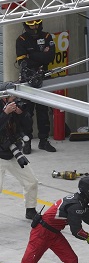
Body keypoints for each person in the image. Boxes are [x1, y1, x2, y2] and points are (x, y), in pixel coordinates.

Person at [15, 19, 56, 153]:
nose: (35, 27)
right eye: (31, 25)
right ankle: (27, 142)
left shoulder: (47, 36)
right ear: (26, 25)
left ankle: (44, 141)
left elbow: (50, 57)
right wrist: (41, 55)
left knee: (43, 111)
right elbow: (22, 61)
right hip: (27, 79)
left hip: (44, 77)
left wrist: (31, 55)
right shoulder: (21, 39)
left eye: (37, 24)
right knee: (27, 112)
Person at [0, 82, 39, 220]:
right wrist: (5, 113)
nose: (15, 98)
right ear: (4, 97)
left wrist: (21, 114)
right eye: (12, 96)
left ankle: (31, 210)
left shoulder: (16, 106)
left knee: (31, 181)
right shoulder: (5, 109)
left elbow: (28, 126)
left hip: (13, 152)